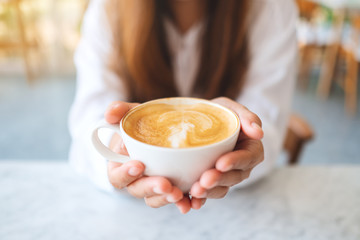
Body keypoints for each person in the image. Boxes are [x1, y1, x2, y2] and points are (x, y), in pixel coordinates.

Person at [68, 0, 298, 214]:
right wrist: (118, 152)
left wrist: (242, 140)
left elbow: (267, 124)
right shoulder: (109, 7)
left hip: (234, 209)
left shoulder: (271, 8)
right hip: (124, 211)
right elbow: (89, 120)